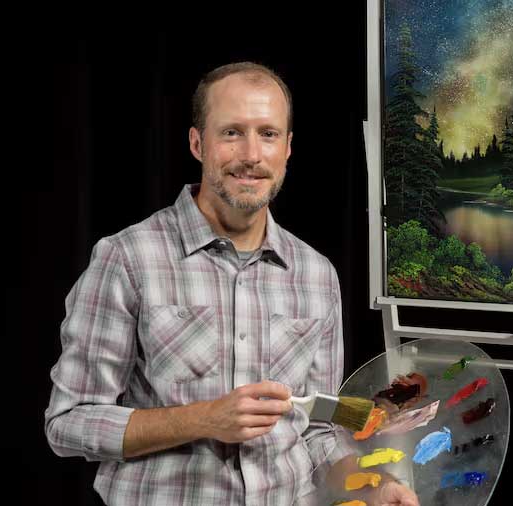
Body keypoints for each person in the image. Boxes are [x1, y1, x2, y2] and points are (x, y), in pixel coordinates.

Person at [44, 62, 419, 506]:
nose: (251, 155)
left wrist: (369, 484)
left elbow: (316, 429)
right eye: (231, 133)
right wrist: (202, 419)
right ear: (197, 143)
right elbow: (68, 423)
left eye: (268, 134)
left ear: (288, 147)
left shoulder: (317, 275)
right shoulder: (128, 258)